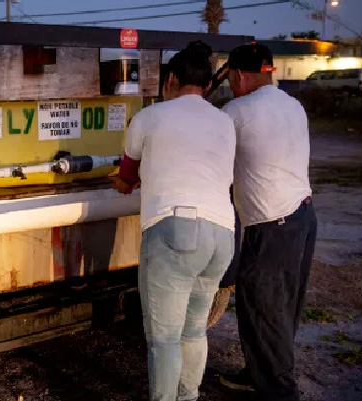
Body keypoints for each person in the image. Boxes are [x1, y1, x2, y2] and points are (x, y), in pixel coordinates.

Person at [115, 41, 236, 401]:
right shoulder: (225, 122)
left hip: (175, 232)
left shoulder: (151, 116)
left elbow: (126, 176)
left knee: (164, 338)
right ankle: (189, 396)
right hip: (222, 237)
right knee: (194, 330)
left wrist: (128, 180)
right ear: (209, 86)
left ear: (170, 79)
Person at [218, 44, 317, 401]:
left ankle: (280, 391)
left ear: (241, 75)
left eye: (230, 78)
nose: (229, 85)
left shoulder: (237, 111)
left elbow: (212, 158)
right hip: (303, 216)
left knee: (264, 306)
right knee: (281, 304)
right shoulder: (292, 104)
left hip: (271, 222)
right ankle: (258, 373)